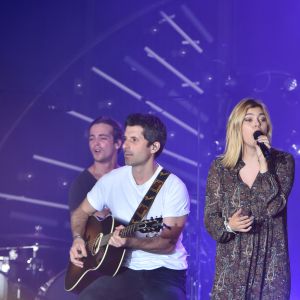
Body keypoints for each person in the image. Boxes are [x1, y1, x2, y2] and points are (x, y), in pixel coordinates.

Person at [69, 113, 190, 300]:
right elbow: (80, 213)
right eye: (125, 139)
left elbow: (168, 243)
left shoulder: (173, 187)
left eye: (134, 140)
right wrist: (78, 238)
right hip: (123, 269)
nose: (125, 145)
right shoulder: (111, 181)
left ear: (154, 146)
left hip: (164, 272)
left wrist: (131, 241)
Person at [204, 98, 295, 299]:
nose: (257, 124)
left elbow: (273, 207)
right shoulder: (221, 168)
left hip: (270, 266)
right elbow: (211, 218)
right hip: (232, 268)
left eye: (262, 120)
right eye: (249, 119)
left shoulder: (283, 162)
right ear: (237, 126)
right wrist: (229, 225)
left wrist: (264, 165)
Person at [68, 116, 123, 214]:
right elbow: (78, 226)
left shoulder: (130, 179)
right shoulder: (81, 184)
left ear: (117, 143)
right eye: (91, 138)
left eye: (102, 138)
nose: (95, 143)